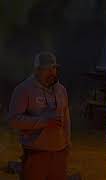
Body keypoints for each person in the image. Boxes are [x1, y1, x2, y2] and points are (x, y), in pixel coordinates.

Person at [8, 52, 71, 180]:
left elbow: (66, 118)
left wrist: (67, 143)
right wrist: (44, 122)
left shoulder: (61, 90)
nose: (52, 72)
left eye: (53, 68)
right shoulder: (24, 89)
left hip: (59, 152)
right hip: (36, 152)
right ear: (37, 70)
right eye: (47, 69)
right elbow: (14, 121)